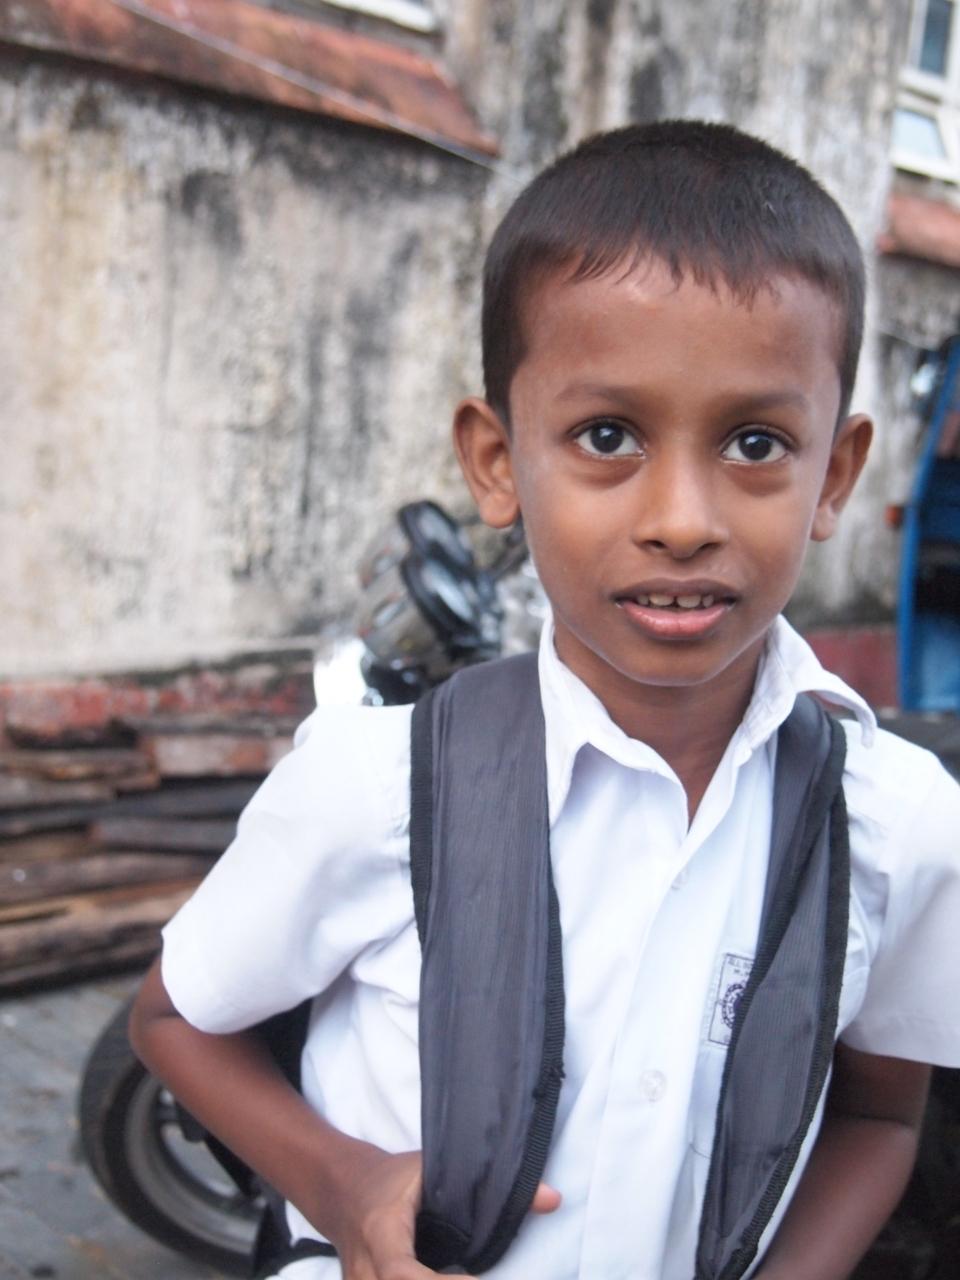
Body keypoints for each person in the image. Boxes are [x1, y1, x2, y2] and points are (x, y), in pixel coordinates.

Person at [129, 120, 960, 1280]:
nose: (682, 519)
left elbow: (880, 1113)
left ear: (835, 473)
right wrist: (347, 1185)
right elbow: (171, 1018)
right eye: (607, 435)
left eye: (756, 442)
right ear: (495, 460)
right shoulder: (375, 786)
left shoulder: (898, 823)